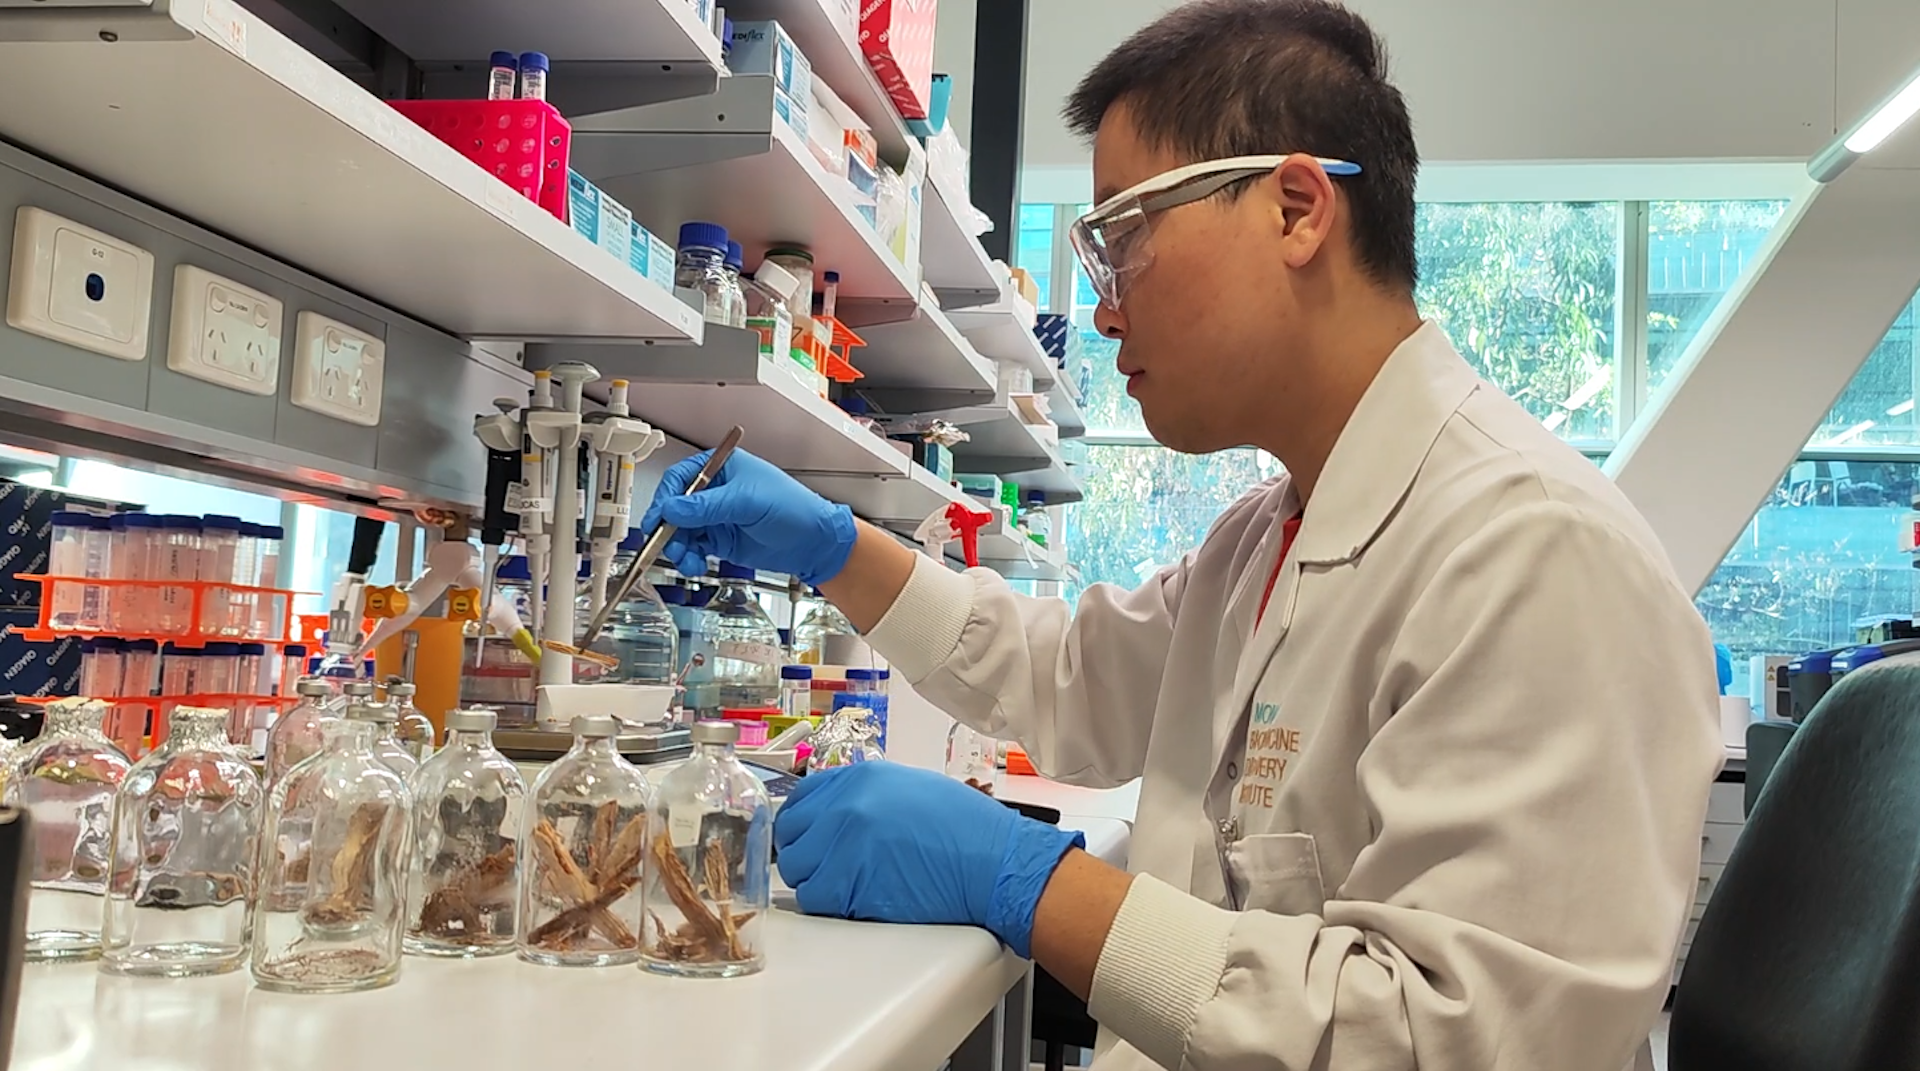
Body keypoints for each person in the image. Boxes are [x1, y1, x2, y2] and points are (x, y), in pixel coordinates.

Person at [639, 1, 1722, 1067]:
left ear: (1297, 210)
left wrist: (1029, 882)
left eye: (1124, 238)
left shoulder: (1536, 554)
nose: (1105, 309)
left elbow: (1448, 1039)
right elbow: (1069, 676)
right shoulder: (1269, 536)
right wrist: (835, 549)